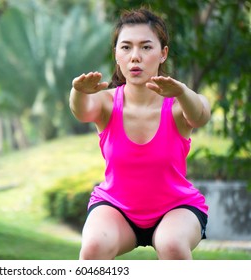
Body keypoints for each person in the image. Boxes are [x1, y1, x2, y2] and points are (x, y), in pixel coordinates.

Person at [69, 7, 211, 260]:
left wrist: (181, 92)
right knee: (92, 249)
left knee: (172, 245)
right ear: (116, 55)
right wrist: (78, 91)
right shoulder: (106, 103)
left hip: (176, 209)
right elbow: (81, 111)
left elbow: (200, 115)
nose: (135, 56)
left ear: (163, 53)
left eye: (146, 47)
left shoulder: (180, 104)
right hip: (116, 208)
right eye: (126, 47)